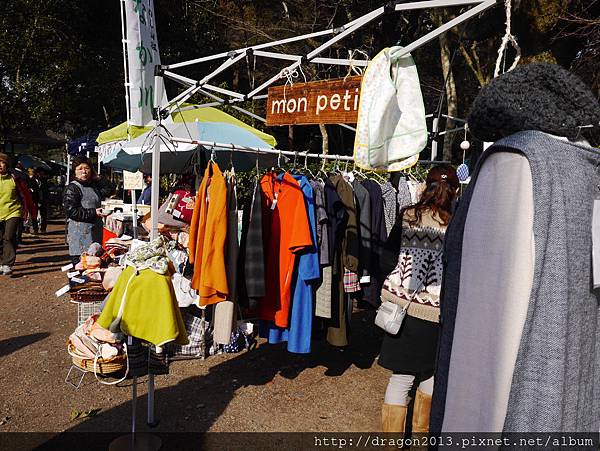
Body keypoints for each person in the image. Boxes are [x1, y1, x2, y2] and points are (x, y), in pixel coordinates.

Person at [377, 165, 459, 433]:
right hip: (436, 313)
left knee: (400, 379)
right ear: (455, 191)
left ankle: (391, 443)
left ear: (426, 187)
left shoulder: (408, 216)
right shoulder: (455, 224)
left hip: (402, 309)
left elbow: (386, 258)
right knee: (430, 375)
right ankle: (423, 438)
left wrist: (397, 282)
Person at [63, 156, 106, 265]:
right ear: (75, 172)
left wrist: (99, 178)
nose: (84, 171)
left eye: (87, 168)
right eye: (80, 169)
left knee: (95, 266)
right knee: (81, 266)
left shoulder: (94, 186)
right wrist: (93, 212)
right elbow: (71, 212)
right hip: (80, 236)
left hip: (95, 232)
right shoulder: (72, 188)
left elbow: (109, 189)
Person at [0, 153, 36, 275]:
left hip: (13, 211)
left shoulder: (15, 178)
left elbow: (26, 196)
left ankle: (7, 264)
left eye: (2, 162)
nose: (0, 165)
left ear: (7, 165)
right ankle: (2, 261)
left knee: (8, 237)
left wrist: (32, 213)